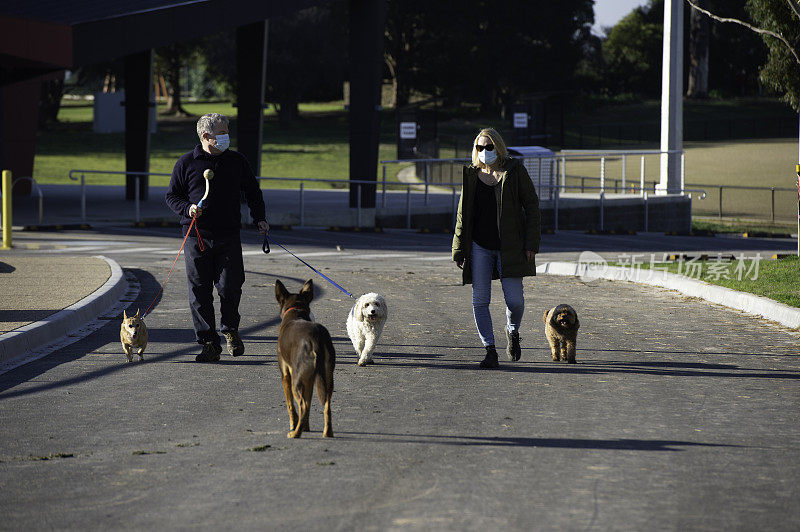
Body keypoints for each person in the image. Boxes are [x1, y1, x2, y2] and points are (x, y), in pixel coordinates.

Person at [166, 113, 269, 362]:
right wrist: (188, 209)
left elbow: (253, 192)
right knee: (199, 291)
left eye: (226, 133)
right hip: (196, 236)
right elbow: (172, 196)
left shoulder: (236, 161)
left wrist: (260, 219)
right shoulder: (186, 163)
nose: (226, 138)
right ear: (205, 136)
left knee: (230, 286)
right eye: (221, 134)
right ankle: (209, 343)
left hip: (229, 235)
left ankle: (230, 330)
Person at [451, 128, 541, 369]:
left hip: (510, 247)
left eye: (488, 147)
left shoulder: (514, 171)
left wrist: (531, 243)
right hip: (479, 246)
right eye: (479, 147)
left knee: (515, 302)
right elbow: (462, 214)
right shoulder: (471, 174)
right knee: (480, 300)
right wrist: (459, 249)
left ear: (498, 148)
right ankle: (489, 349)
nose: (484, 152)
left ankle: (512, 331)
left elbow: (532, 206)